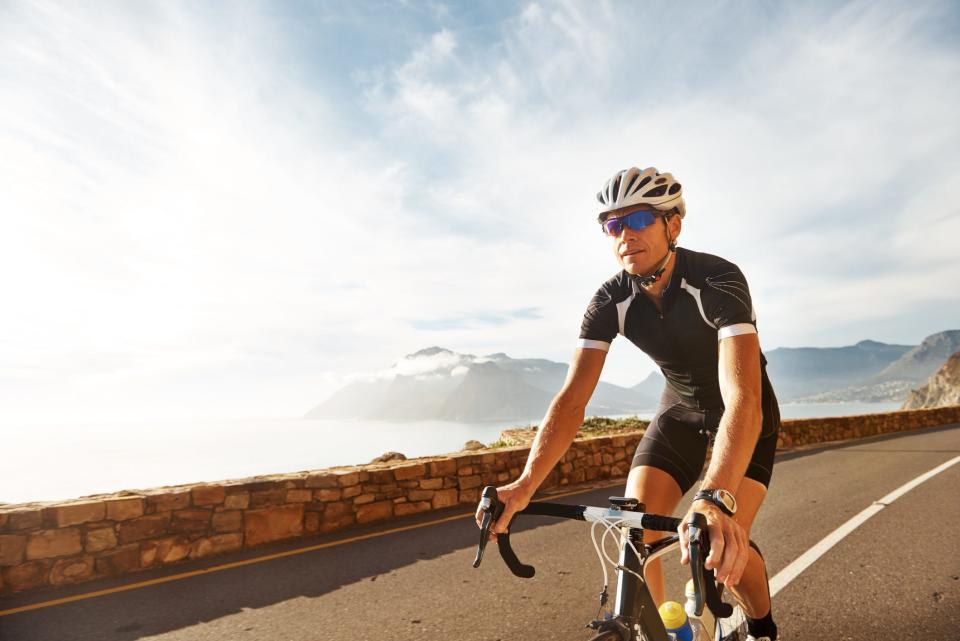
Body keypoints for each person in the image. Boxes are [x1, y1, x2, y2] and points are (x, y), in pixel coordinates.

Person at [477, 167, 781, 641]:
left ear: (672, 226)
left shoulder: (717, 279)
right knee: (635, 524)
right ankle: (664, 631)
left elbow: (742, 396)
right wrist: (524, 485)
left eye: (638, 219)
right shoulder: (610, 300)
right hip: (678, 411)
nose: (625, 234)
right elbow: (572, 399)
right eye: (613, 225)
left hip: (742, 414)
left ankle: (762, 626)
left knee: (720, 543)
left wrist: (715, 497)